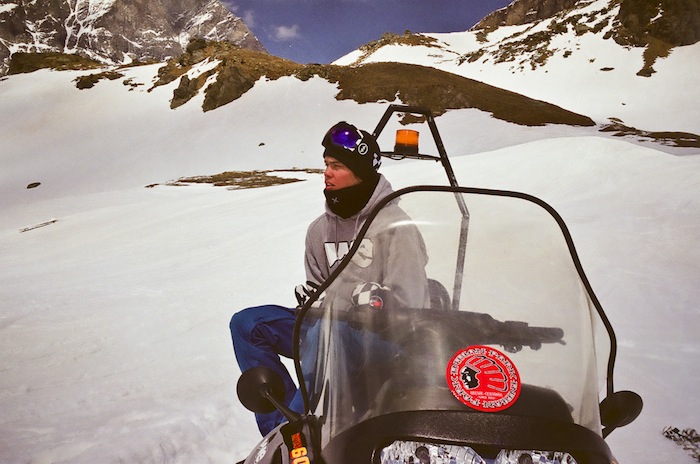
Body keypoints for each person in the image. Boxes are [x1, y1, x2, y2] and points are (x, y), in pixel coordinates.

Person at [229, 121, 429, 435]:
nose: (326, 173)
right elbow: (318, 292)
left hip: (382, 338)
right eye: (326, 165)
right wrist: (315, 301)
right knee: (247, 324)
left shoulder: (397, 227)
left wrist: (376, 299)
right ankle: (281, 427)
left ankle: (300, 431)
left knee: (328, 332)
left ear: (360, 173)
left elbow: (413, 304)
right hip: (330, 327)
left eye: (336, 166)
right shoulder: (319, 231)